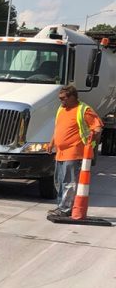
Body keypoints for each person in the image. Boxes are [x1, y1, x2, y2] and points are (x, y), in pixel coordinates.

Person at [47, 85, 103, 217]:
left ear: (72, 97)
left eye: (63, 98)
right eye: (60, 98)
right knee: (59, 181)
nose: (61, 100)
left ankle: (65, 209)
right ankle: (62, 206)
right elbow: (58, 128)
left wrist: (94, 136)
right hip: (60, 152)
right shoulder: (61, 109)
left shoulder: (83, 110)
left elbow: (97, 126)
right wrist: (52, 143)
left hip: (74, 151)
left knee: (68, 182)